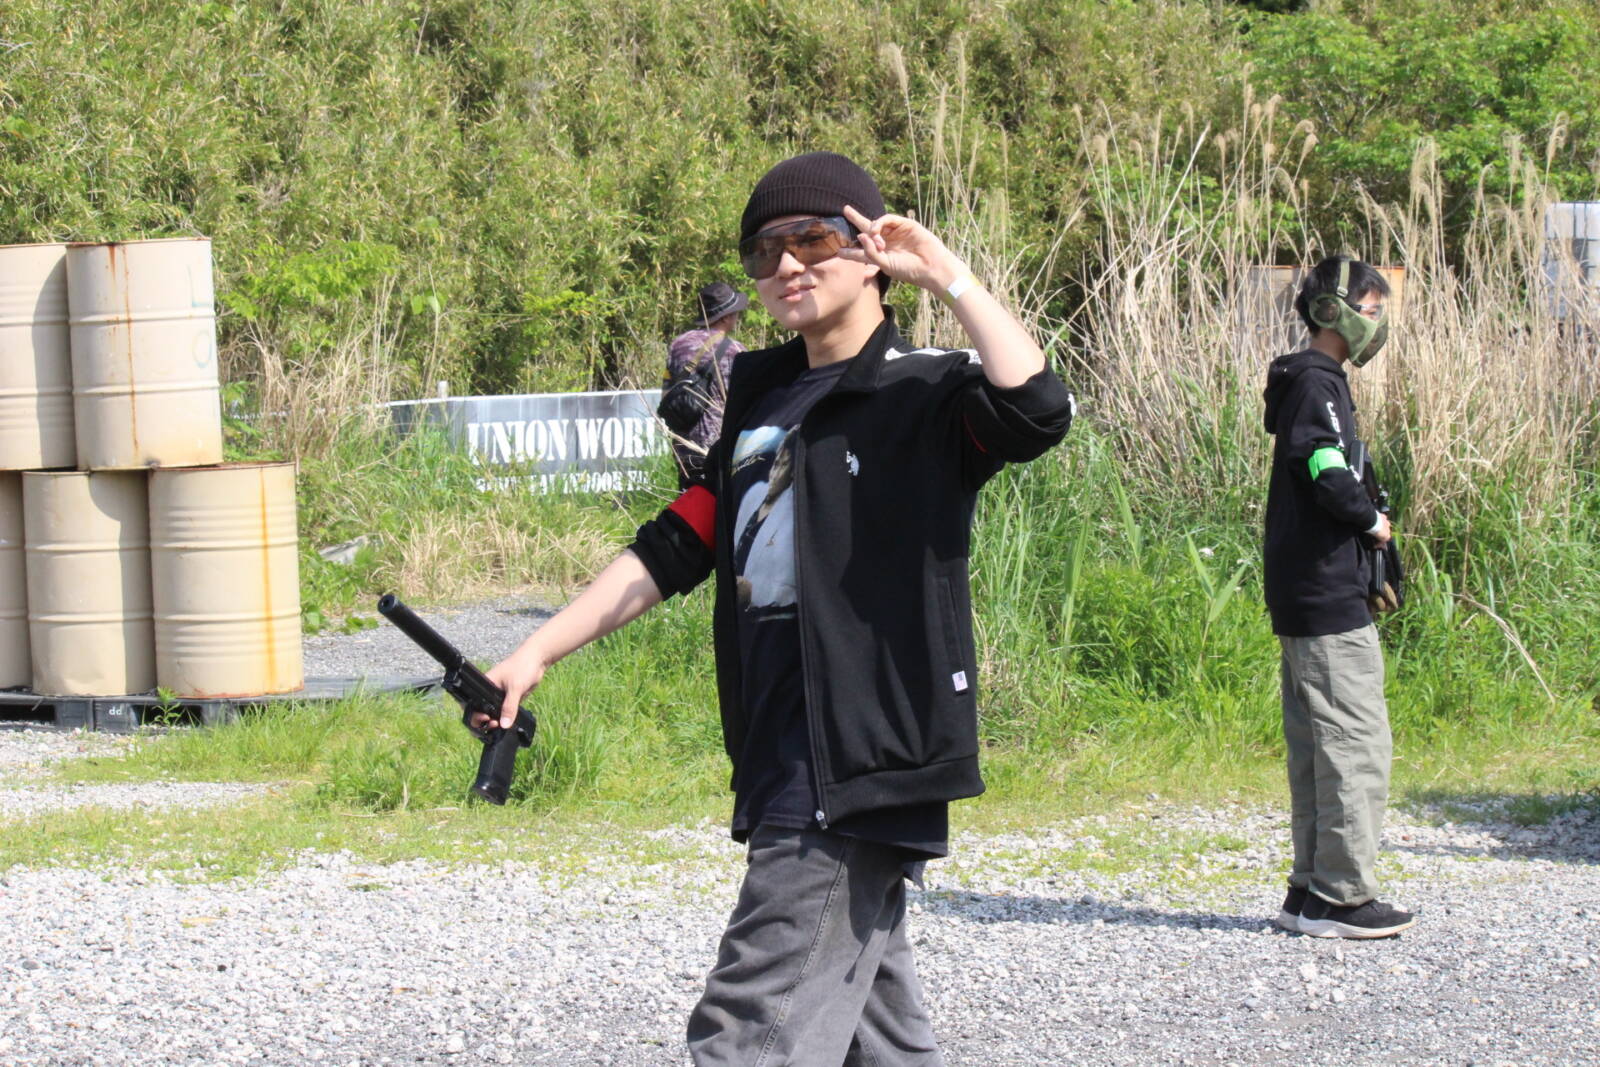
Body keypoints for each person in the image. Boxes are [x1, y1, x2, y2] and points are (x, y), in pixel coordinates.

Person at [480, 151, 1073, 1064]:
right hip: (778, 741)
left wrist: (946, 274)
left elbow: (1037, 407)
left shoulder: (923, 389)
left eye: (813, 239)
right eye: (765, 251)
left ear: (869, 250)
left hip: (859, 754)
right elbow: (678, 542)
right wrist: (536, 651)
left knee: (748, 1029)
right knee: (877, 1037)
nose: (788, 263)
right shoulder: (761, 395)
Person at [1262, 254, 1415, 940]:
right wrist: (1370, 521)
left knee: (1320, 745)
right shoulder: (1316, 382)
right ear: (1334, 312)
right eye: (1371, 311)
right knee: (1355, 743)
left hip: (1310, 589)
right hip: (1324, 595)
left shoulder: (1311, 382)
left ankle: (1309, 890)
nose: (1377, 325)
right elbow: (1323, 464)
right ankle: (1342, 896)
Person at [664, 281, 748, 488]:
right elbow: (744, 405)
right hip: (719, 449)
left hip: (684, 447)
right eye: (735, 312)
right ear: (726, 316)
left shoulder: (679, 344)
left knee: (690, 502)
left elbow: (666, 393)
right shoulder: (736, 351)